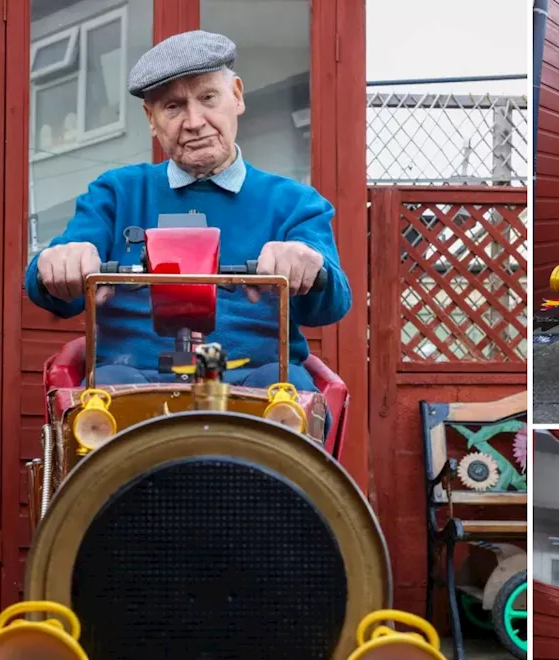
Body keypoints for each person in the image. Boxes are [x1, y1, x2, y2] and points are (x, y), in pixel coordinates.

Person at [24, 30, 350, 391]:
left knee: (290, 401)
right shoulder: (116, 194)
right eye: (173, 106)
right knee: (107, 398)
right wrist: (56, 264)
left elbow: (331, 304)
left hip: (259, 379)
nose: (194, 122)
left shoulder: (293, 203)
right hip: (133, 378)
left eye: (208, 97)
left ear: (237, 96)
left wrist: (308, 263)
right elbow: (50, 289)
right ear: (151, 118)